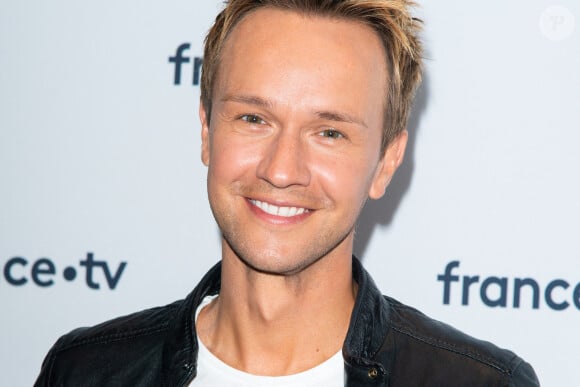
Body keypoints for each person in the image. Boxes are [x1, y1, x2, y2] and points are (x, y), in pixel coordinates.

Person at [34, 1, 539, 386]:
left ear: (386, 162)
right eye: (254, 119)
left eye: (329, 133)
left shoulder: (483, 382)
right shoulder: (84, 371)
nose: (281, 170)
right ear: (207, 133)